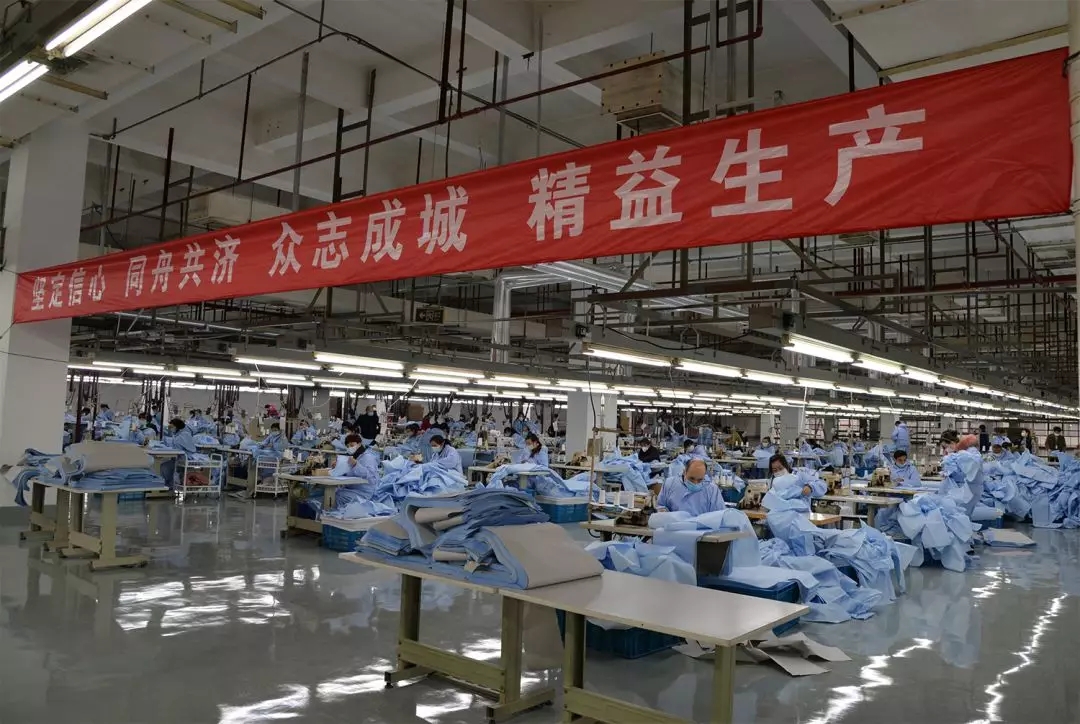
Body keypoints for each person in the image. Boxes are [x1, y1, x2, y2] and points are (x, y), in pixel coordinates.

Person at [654, 459, 724, 515]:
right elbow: (661, 505)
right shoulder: (670, 484)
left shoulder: (712, 490)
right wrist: (663, 512)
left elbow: (718, 515)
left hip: (702, 528)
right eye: (691, 478)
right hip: (675, 527)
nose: (695, 483)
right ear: (684, 472)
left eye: (700, 480)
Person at [938, 430, 983, 517]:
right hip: (965, 490)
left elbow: (969, 471)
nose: (945, 450)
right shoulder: (956, 454)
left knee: (961, 516)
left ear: (952, 443)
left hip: (969, 490)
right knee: (960, 517)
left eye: (945, 447)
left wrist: (953, 461)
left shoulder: (969, 452)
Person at [161, 418, 198, 486]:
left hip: (185, 458)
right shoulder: (177, 434)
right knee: (164, 464)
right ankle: (168, 484)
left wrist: (168, 441)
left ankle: (168, 485)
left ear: (177, 427)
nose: (171, 428)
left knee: (165, 466)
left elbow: (177, 444)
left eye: (172, 427)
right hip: (178, 458)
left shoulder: (185, 435)